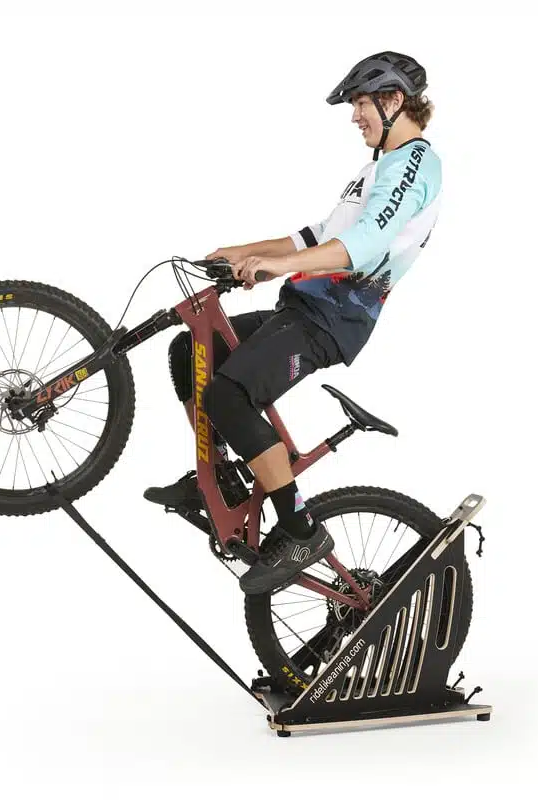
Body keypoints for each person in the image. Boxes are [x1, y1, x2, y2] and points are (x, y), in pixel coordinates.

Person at [144, 52, 442, 594]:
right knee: (189, 352)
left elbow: (362, 246)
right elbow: (318, 236)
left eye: (361, 104)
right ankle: (223, 480)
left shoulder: (414, 164)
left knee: (229, 395)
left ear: (394, 100)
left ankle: (301, 530)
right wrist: (242, 251)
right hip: (303, 307)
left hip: (331, 321)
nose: (355, 116)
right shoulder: (380, 168)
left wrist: (276, 266)